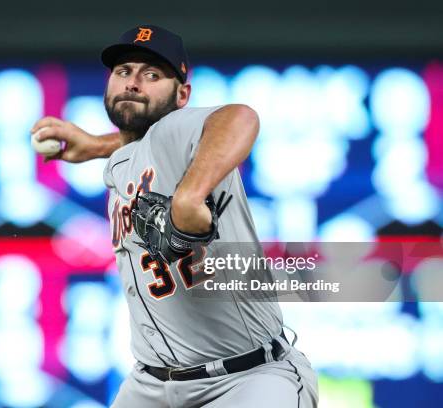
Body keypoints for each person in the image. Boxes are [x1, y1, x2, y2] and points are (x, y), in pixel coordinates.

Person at [32, 24, 318, 408]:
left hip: (246, 380)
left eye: (152, 75)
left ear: (182, 95)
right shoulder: (124, 158)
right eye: (123, 72)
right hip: (151, 385)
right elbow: (139, 144)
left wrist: (189, 197)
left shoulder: (177, 132)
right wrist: (98, 145)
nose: (133, 83)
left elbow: (239, 117)